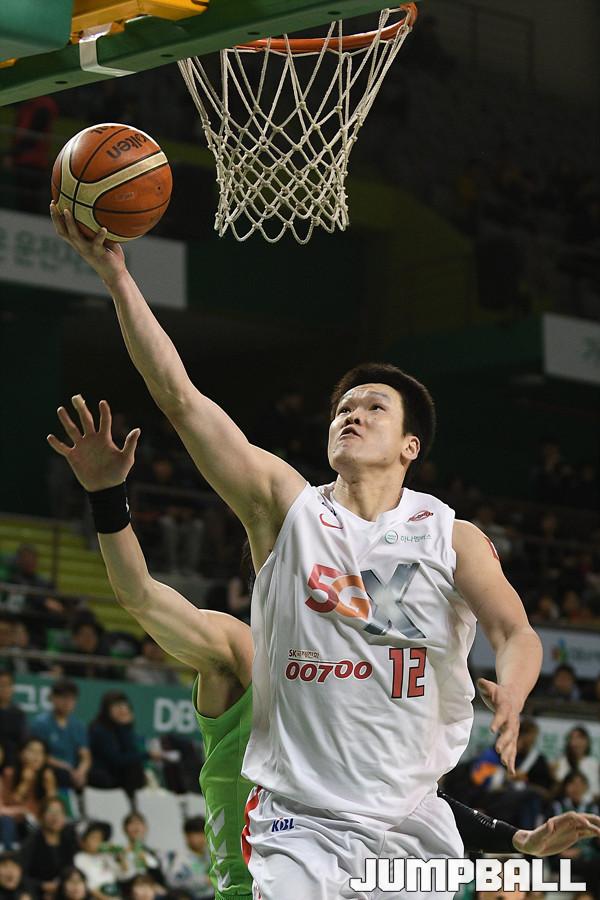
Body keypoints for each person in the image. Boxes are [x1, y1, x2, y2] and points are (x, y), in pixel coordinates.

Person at [50, 206, 545, 899]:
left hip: (411, 822)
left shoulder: (448, 535)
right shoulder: (288, 509)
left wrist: (515, 691)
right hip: (297, 821)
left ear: (411, 446)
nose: (352, 414)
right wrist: (117, 278)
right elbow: (181, 400)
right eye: (343, 407)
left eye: (374, 407)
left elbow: (515, 631)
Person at [47, 399, 600, 900]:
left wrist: (517, 841)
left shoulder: (357, 678)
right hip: (257, 876)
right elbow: (140, 595)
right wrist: (106, 497)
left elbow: (393, 803)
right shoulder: (235, 649)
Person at [30, 681, 91, 792]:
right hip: (52, 770)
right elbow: (39, 755)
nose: (68, 703)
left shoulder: (78, 726)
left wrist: (81, 771)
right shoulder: (40, 723)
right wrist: (64, 766)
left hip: (72, 773)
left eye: (72, 699)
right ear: (53, 698)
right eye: (64, 698)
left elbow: (85, 755)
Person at [87, 693, 150, 796]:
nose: (121, 710)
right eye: (116, 706)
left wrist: (126, 727)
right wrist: (148, 755)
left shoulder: (120, 729)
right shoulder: (98, 730)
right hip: (101, 774)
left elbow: (130, 751)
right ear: (107, 709)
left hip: (116, 774)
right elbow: (116, 759)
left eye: (123, 706)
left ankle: (135, 801)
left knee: (136, 768)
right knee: (132, 768)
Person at [0, 738, 57, 847]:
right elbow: (7, 804)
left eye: (41, 752)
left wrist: (50, 787)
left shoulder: (47, 776)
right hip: (15, 820)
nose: (36, 756)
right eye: (32, 751)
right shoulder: (9, 773)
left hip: (37, 822)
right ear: (21, 754)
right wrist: (24, 783)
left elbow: (52, 806)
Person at [18, 797, 78, 900]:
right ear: (41, 817)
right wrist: (42, 885)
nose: (55, 817)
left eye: (59, 812)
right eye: (50, 812)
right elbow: (21, 874)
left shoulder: (69, 840)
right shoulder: (32, 842)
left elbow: (72, 869)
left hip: (64, 891)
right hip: (36, 892)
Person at [161, 817, 213, 900]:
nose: (202, 837)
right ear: (187, 836)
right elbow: (173, 883)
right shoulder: (179, 859)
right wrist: (204, 881)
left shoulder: (211, 855)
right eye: (197, 834)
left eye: (204, 833)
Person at [553, 726, 600, 803]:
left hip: (589, 805)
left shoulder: (593, 763)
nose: (576, 742)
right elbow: (559, 788)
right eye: (573, 738)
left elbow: (596, 793)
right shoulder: (561, 762)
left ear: (587, 742)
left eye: (580, 738)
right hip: (566, 804)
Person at [73, 823, 119, 900]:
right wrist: (105, 898)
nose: (97, 842)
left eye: (100, 839)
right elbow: (86, 884)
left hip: (114, 893)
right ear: (83, 841)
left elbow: (121, 873)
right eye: (94, 838)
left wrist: (118, 855)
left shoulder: (106, 855)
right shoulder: (80, 858)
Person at [115, 813, 162, 885]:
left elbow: (160, 879)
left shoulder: (153, 854)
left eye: (139, 824)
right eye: (131, 824)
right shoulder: (119, 853)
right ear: (124, 829)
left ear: (145, 828)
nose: (136, 828)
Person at [0, 672, 27, 768]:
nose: (4, 689)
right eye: (1, 685)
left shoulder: (18, 713)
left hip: (13, 761)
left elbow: (23, 740)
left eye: (8, 685)